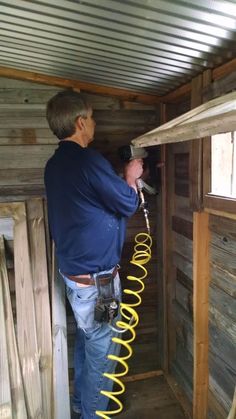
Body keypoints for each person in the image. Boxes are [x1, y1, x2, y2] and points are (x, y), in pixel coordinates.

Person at [44, 90, 143, 419]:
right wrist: (130, 176)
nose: (95, 123)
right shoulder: (88, 161)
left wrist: (114, 183)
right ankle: (92, 414)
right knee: (103, 353)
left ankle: (79, 403)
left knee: (88, 341)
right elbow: (128, 204)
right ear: (80, 122)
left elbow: (89, 202)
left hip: (76, 279)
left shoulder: (55, 165)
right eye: (92, 117)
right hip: (97, 285)